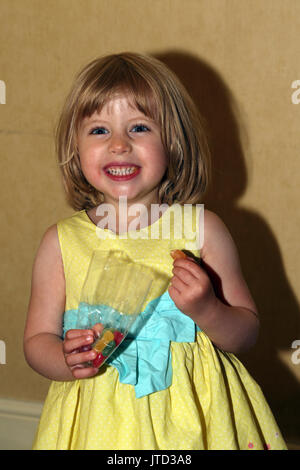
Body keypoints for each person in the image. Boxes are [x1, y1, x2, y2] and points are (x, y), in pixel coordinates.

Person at [24, 52, 287, 450]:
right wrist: (65, 359)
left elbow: (246, 333)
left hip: (194, 419)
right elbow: (36, 340)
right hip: (99, 420)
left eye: (139, 127)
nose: (118, 145)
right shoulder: (61, 242)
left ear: (174, 141)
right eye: (98, 131)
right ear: (74, 148)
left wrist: (208, 310)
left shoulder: (201, 230)